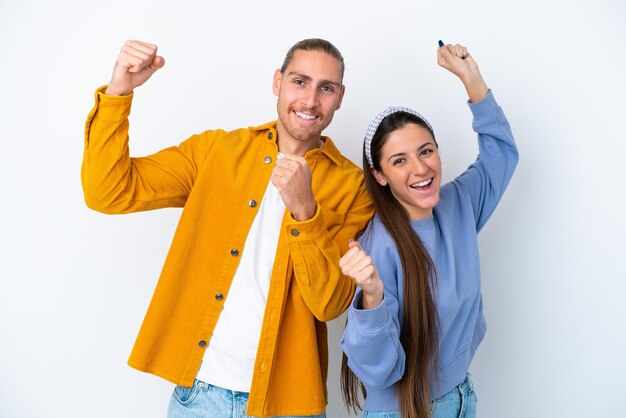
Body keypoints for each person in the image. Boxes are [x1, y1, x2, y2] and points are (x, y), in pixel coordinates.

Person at [81, 38, 373, 417]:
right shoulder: (217, 151)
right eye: (300, 82)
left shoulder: (353, 187)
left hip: (287, 404)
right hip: (200, 397)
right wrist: (118, 93)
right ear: (277, 82)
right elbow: (109, 192)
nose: (311, 100)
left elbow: (329, 304)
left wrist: (306, 212)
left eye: (326, 88)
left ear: (340, 97)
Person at [338, 41, 519, 418]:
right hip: (405, 410)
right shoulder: (379, 246)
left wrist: (472, 79)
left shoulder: (457, 204)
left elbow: (500, 155)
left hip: (461, 396)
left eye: (426, 150)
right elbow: (381, 371)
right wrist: (371, 294)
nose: (420, 169)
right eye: (399, 160)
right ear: (379, 175)